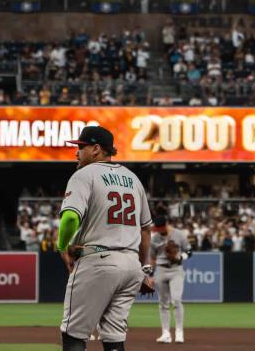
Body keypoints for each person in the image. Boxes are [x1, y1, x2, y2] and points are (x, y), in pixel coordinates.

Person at [56, 126, 154, 351]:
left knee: (73, 334)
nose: (76, 152)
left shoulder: (83, 174)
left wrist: (62, 246)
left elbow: (70, 218)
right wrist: (145, 269)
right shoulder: (133, 179)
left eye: (81, 147)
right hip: (131, 266)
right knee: (114, 338)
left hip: (98, 261)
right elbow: (146, 229)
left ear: (96, 149)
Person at [150, 215, 192, 344]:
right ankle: (166, 333)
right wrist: (151, 275)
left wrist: (180, 258)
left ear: (167, 224)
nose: (159, 230)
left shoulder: (179, 234)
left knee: (176, 300)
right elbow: (153, 258)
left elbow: (189, 251)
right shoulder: (155, 238)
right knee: (163, 303)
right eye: (157, 228)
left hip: (175, 270)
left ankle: (179, 333)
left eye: (161, 228)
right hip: (161, 270)